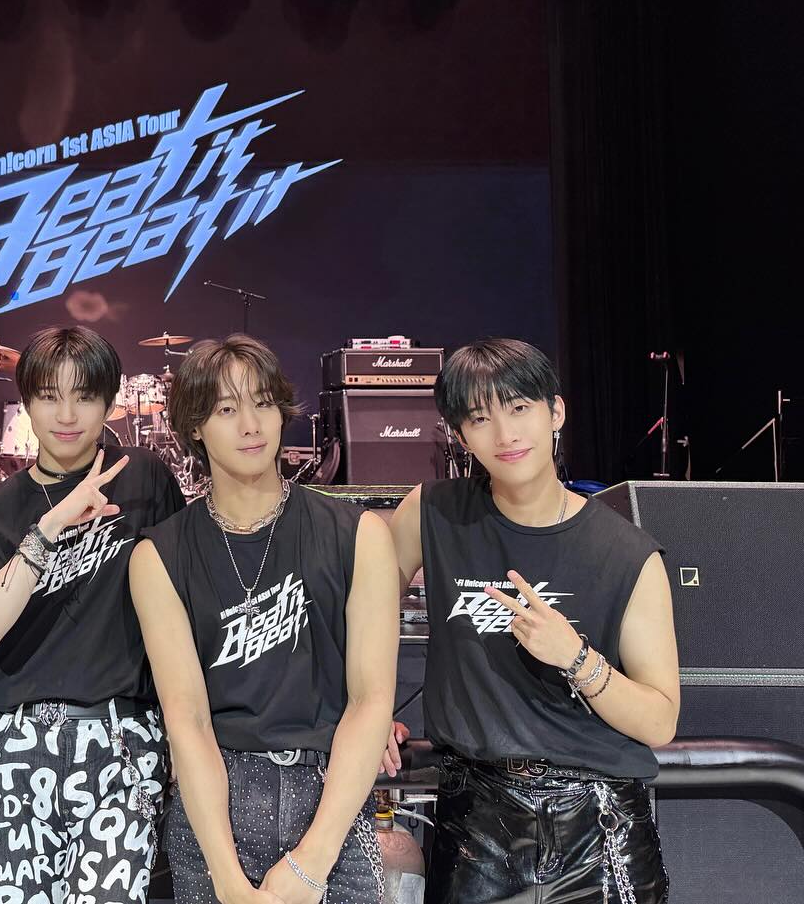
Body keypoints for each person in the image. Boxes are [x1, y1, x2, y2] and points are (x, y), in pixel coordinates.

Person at [388, 337, 678, 904]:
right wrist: (368, 709)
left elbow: (659, 721)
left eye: (520, 408)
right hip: (475, 827)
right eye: (480, 418)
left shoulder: (627, 553)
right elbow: (357, 616)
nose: (505, 434)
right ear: (460, 435)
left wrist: (576, 658)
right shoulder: (432, 512)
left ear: (556, 412)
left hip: (601, 829)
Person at [131, 333, 398, 904]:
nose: (251, 425)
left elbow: (371, 702)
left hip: (331, 800)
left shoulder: (360, 535)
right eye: (227, 410)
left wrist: (313, 860)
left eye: (263, 403)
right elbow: (188, 722)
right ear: (195, 427)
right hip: (217, 807)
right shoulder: (159, 556)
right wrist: (228, 881)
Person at [0, 325, 186, 904]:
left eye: (84, 396)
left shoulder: (144, 478)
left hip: (122, 739)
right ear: (25, 402)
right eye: (48, 396)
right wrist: (51, 526)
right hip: (16, 745)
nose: (66, 415)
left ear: (109, 403)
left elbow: (185, 606)